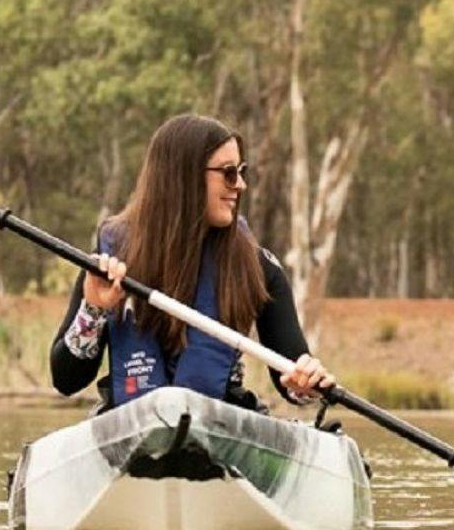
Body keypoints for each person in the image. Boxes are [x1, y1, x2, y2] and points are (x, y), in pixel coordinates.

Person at [49, 113, 333, 412]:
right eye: (228, 173)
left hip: (223, 425)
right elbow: (66, 380)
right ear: (184, 176)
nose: (240, 185)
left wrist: (305, 385)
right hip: (132, 423)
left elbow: (291, 380)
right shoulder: (110, 265)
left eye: (241, 171)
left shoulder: (258, 266)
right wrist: (93, 310)